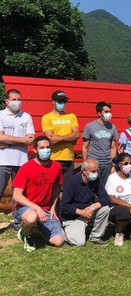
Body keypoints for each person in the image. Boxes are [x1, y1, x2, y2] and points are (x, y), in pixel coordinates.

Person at [12, 136, 65, 252]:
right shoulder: (26, 167)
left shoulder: (56, 167)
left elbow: (57, 187)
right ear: (35, 150)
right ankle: (27, 233)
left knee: (59, 242)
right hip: (25, 208)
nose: (45, 150)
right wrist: (37, 208)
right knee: (32, 217)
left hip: (45, 209)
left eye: (48, 147)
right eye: (42, 148)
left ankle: (36, 229)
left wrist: (52, 207)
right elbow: (16, 195)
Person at [0, 89, 35, 230]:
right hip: (2, 160)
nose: (17, 102)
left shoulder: (26, 117)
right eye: (14, 100)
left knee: (18, 193)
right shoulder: (1, 115)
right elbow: (0, 137)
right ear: (7, 101)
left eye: (19, 99)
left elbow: (31, 139)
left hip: (22, 161)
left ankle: (17, 223)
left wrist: (8, 141)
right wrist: (22, 140)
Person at [60, 159, 110, 246]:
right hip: (72, 216)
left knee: (105, 209)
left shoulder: (96, 180)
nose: (96, 173)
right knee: (79, 243)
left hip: (87, 210)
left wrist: (92, 208)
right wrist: (82, 212)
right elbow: (63, 205)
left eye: (97, 171)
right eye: (93, 171)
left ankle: (95, 236)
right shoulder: (72, 182)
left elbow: (105, 198)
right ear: (84, 171)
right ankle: (64, 232)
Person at [105, 153, 131, 246]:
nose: (129, 165)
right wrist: (129, 206)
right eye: (126, 163)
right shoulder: (112, 178)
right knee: (123, 211)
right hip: (117, 211)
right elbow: (111, 198)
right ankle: (119, 233)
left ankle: (126, 228)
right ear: (120, 165)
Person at [42, 90, 80, 186]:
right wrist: (69, 139)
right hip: (53, 157)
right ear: (53, 102)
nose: (62, 104)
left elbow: (76, 135)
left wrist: (58, 139)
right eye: (60, 101)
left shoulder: (71, 116)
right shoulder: (47, 117)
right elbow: (50, 138)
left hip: (69, 157)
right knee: (52, 187)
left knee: (66, 189)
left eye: (64, 101)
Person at [82, 101, 118, 186]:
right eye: (106, 111)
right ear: (99, 113)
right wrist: (85, 163)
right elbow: (85, 147)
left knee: (105, 187)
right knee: (91, 186)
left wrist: (113, 164)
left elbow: (113, 147)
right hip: (94, 162)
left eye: (110, 111)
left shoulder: (113, 127)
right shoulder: (89, 126)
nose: (109, 113)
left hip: (107, 163)